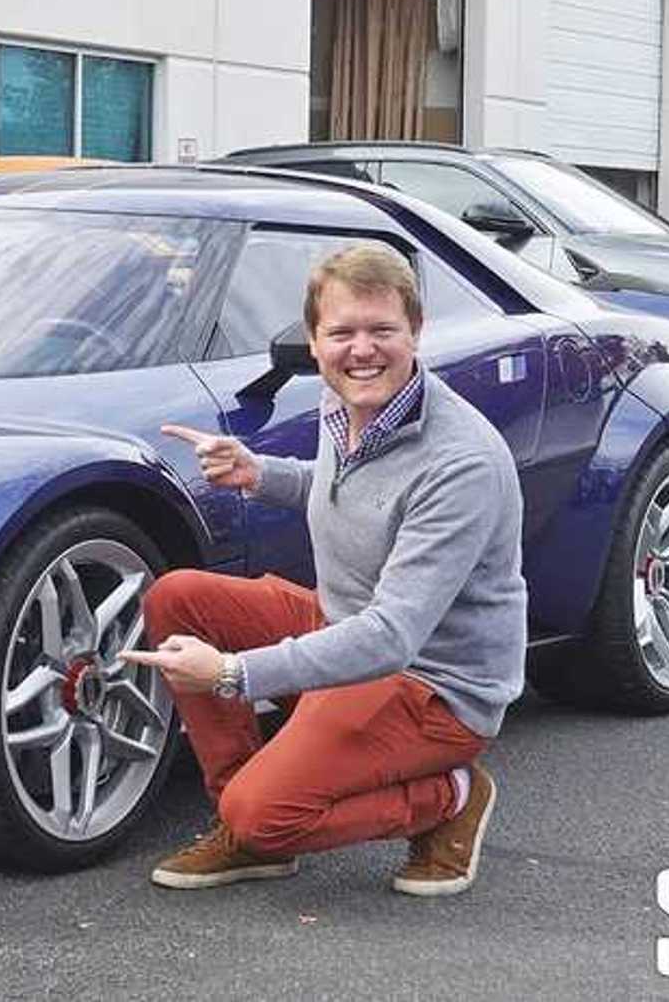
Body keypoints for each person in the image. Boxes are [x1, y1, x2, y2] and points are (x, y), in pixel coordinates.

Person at [121, 242, 525, 897]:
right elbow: (359, 491)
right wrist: (260, 473)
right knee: (179, 597)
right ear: (313, 341)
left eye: (382, 330)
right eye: (341, 333)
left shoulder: (460, 463)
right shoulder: (351, 402)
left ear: (416, 331)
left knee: (262, 812)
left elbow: (392, 637)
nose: (361, 349)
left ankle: (448, 796)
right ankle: (250, 822)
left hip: (432, 687)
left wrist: (231, 674)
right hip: (346, 624)